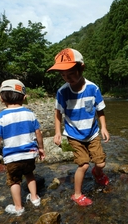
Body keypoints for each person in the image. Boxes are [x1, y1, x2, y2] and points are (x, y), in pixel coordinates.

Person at [47, 48, 110, 206]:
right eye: (63, 76)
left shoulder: (93, 88)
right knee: (83, 164)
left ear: (81, 68)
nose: (67, 79)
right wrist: (57, 133)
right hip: (73, 134)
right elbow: (58, 114)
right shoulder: (62, 92)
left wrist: (103, 127)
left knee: (100, 163)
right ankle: (77, 194)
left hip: (92, 133)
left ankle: (97, 172)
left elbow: (100, 110)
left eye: (71, 74)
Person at [0, 79, 45, 216]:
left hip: (12, 156)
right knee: (30, 174)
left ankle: (19, 208)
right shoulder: (30, 114)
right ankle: (35, 198)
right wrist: (41, 148)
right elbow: (38, 133)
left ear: (1, 98)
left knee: (14, 181)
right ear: (24, 97)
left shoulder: (0, 117)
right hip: (30, 154)